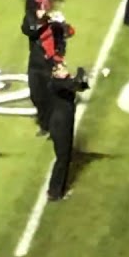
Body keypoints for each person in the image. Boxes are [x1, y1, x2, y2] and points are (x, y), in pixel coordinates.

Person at [21, 0, 74, 137]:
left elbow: (70, 32)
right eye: (38, 8)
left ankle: (53, 127)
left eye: (43, 8)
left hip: (50, 66)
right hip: (34, 65)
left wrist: (61, 23)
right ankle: (44, 123)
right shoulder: (31, 21)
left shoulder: (55, 23)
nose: (40, 11)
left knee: (51, 97)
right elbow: (28, 30)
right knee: (36, 96)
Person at [46, 38, 89, 202]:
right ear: (55, 73)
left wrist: (82, 79)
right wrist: (79, 76)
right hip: (60, 124)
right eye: (61, 68)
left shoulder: (63, 81)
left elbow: (81, 87)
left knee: (66, 156)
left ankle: (59, 189)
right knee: (62, 158)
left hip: (65, 122)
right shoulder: (56, 83)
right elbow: (72, 85)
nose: (65, 68)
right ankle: (54, 191)